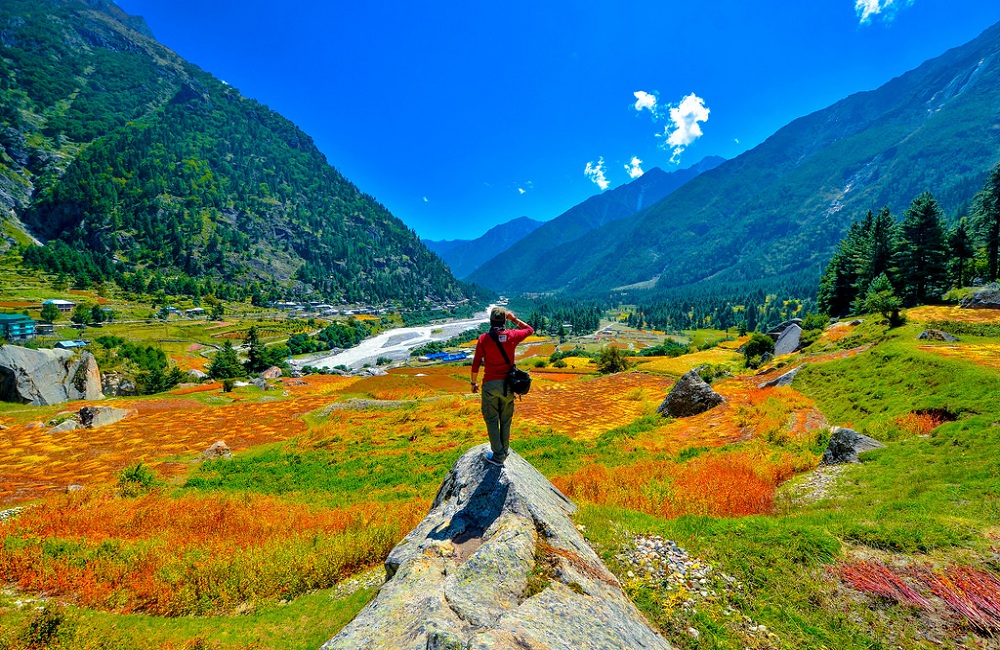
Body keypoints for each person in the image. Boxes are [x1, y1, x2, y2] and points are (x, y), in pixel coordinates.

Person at [470, 307, 534, 467]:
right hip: (508, 385)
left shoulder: (484, 339)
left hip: (491, 384)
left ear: (490, 321)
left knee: (491, 419)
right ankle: (504, 451)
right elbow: (529, 330)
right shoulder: (512, 335)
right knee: (506, 419)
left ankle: (498, 455)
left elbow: (476, 362)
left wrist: (473, 383)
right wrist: (514, 319)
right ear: (504, 321)